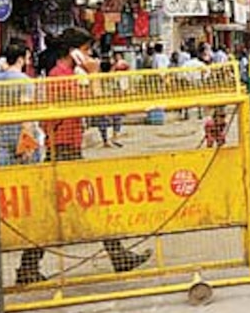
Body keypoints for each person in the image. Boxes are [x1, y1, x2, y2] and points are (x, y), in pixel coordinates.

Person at [17, 30, 151, 286]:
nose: (89, 55)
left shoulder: (64, 76)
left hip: (68, 148)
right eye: (86, 50)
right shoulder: (61, 78)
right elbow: (95, 106)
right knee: (83, 206)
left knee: (60, 211)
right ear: (74, 52)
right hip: (64, 150)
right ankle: (117, 256)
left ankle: (29, 267)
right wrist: (94, 74)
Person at [0, 43, 37, 167]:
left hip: (1, 124)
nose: (28, 62)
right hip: (19, 127)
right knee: (25, 167)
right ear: (20, 59)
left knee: (4, 166)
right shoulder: (25, 80)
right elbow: (26, 109)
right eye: (27, 58)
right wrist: (28, 133)